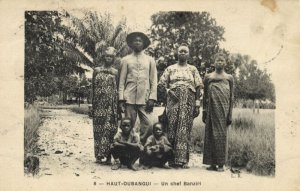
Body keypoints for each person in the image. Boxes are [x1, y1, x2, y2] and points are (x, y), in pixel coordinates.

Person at [158, 44, 203, 168]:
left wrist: (197, 104)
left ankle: (183, 160)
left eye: (185, 51)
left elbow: (199, 86)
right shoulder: (170, 68)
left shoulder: (193, 69)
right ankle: (171, 160)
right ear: (177, 53)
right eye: (180, 51)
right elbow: (161, 84)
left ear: (188, 54)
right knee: (171, 127)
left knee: (185, 128)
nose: (183, 53)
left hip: (189, 100)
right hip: (173, 99)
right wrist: (168, 92)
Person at [118, 32, 157, 145]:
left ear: (144, 43)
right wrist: (121, 99)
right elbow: (121, 81)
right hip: (128, 97)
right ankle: (127, 151)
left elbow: (153, 80)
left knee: (149, 124)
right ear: (131, 43)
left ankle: (142, 147)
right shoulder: (125, 60)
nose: (137, 43)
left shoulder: (150, 60)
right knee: (127, 125)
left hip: (144, 98)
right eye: (135, 41)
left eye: (140, 41)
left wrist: (152, 98)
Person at [202, 52, 234, 172]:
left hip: (223, 110)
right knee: (210, 134)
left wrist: (230, 114)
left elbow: (232, 97)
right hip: (211, 110)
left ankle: (221, 164)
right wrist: (204, 111)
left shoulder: (229, 77)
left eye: (222, 61)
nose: (219, 62)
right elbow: (205, 95)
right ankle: (211, 163)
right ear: (214, 63)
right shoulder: (208, 77)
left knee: (221, 135)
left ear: (225, 63)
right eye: (217, 60)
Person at [92, 47, 118, 165]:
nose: (109, 58)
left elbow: (117, 88)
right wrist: (92, 104)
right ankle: (98, 155)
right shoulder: (96, 70)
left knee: (109, 129)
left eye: (111, 56)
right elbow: (93, 88)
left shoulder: (115, 72)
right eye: (107, 56)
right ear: (104, 57)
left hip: (110, 104)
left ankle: (108, 156)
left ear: (113, 58)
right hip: (98, 103)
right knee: (98, 129)